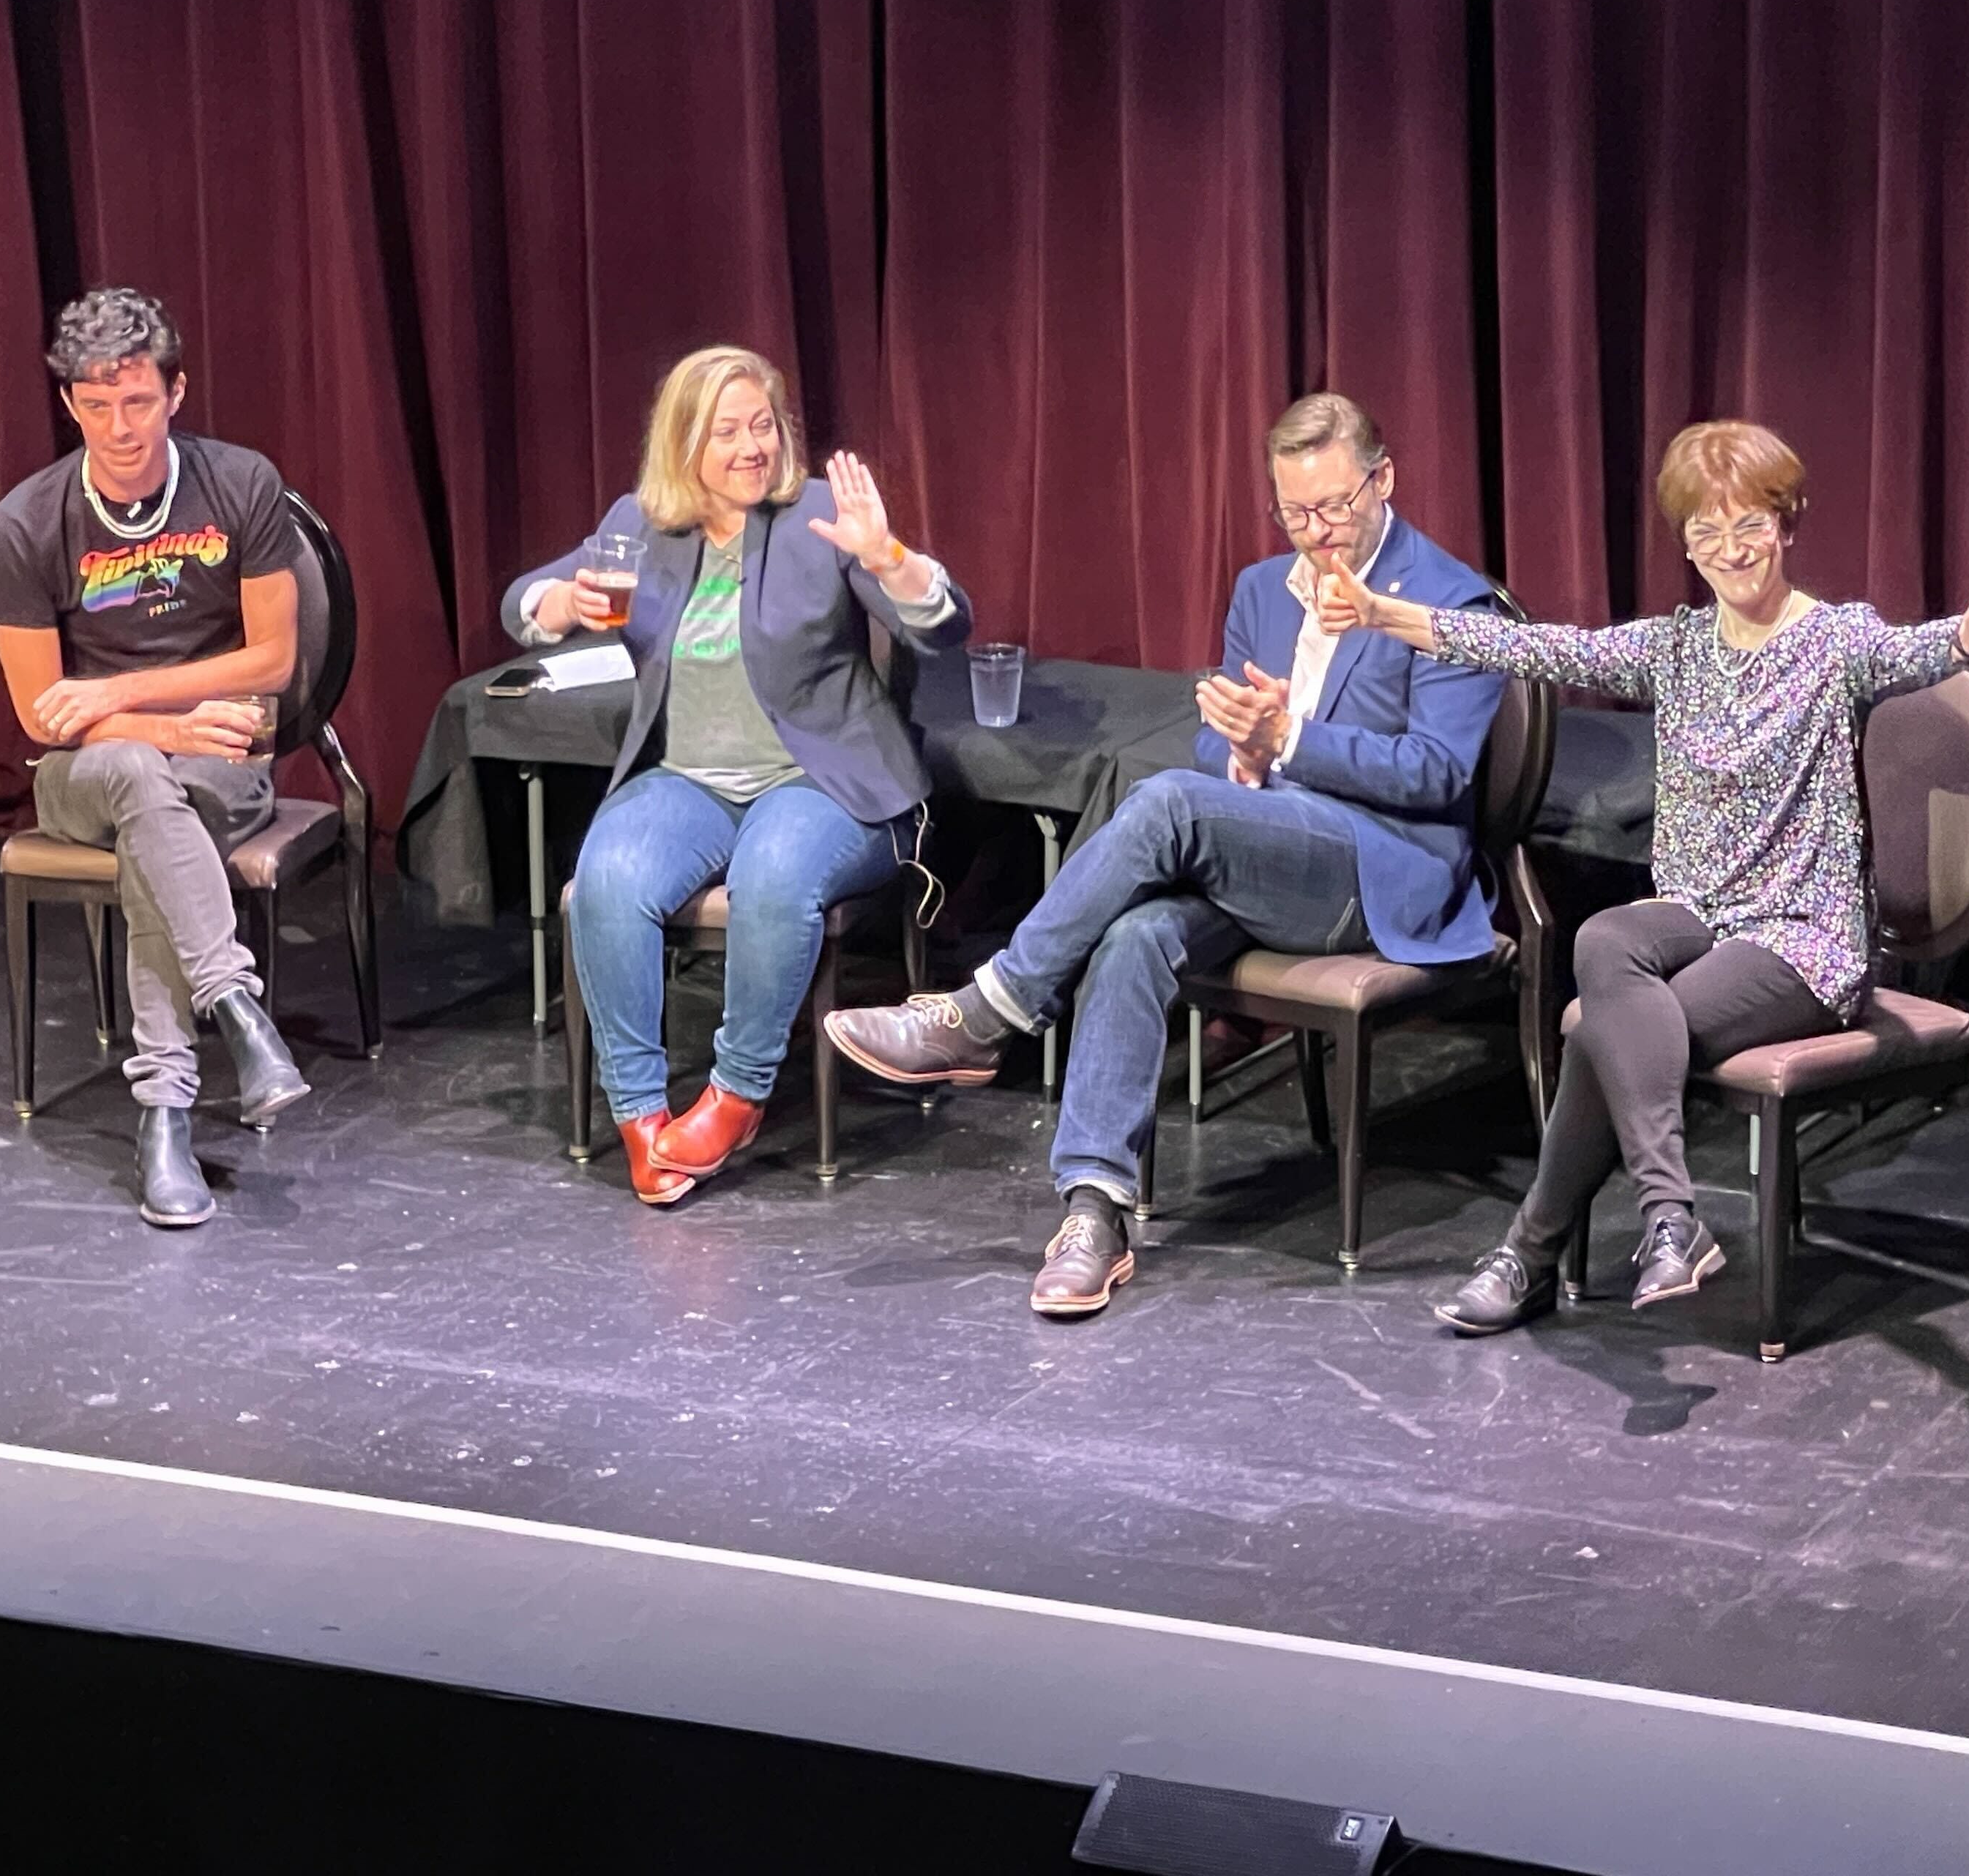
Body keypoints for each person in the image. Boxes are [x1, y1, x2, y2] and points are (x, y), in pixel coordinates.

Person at [1307, 419, 1969, 1333]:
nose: (1732, 550)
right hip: (1695, 913)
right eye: (1707, 532)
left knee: (1618, 1030)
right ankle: (1668, 1221)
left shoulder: (1835, 641)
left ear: (1787, 524)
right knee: (1607, 937)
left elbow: (1916, 651)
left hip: (1798, 939)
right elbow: (1538, 649)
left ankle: (1541, 1250)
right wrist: (1381, 614)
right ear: (1686, 545)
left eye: (1750, 525)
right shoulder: (1675, 648)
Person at [826, 394, 1506, 1318]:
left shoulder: (1449, 601)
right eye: (1295, 513)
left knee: (1168, 802)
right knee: (1135, 934)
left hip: (1378, 870)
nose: (1317, 533)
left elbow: (1437, 774)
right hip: (1261, 842)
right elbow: (1210, 739)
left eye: (1335, 507)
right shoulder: (1262, 589)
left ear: (1383, 481)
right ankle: (1094, 1212)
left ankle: (989, 1011)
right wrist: (1242, 753)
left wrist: (1288, 740)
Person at [506, 345, 970, 1206]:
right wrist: (560, 603)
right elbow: (523, 600)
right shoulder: (643, 523)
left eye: (763, 426)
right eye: (727, 432)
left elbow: (943, 629)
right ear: (684, 444)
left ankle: (736, 1097)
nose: (753, 447)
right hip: (688, 780)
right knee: (608, 876)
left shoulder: (819, 515)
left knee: (775, 873)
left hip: (823, 781)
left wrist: (887, 557)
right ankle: (642, 1117)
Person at [0, 288, 315, 1229]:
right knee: (136, 775)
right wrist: (153, 727)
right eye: (95, 406)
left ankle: (164, 1110)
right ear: (69, 404)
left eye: (137, 401)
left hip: (219, 759)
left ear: (176, 392)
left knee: (162, 829)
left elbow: (273, 659)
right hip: (88, 769)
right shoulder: (26, 522)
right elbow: (44, 717)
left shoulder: (240, 482)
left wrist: (117, 694)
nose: (119, 428)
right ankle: (235, 1005)